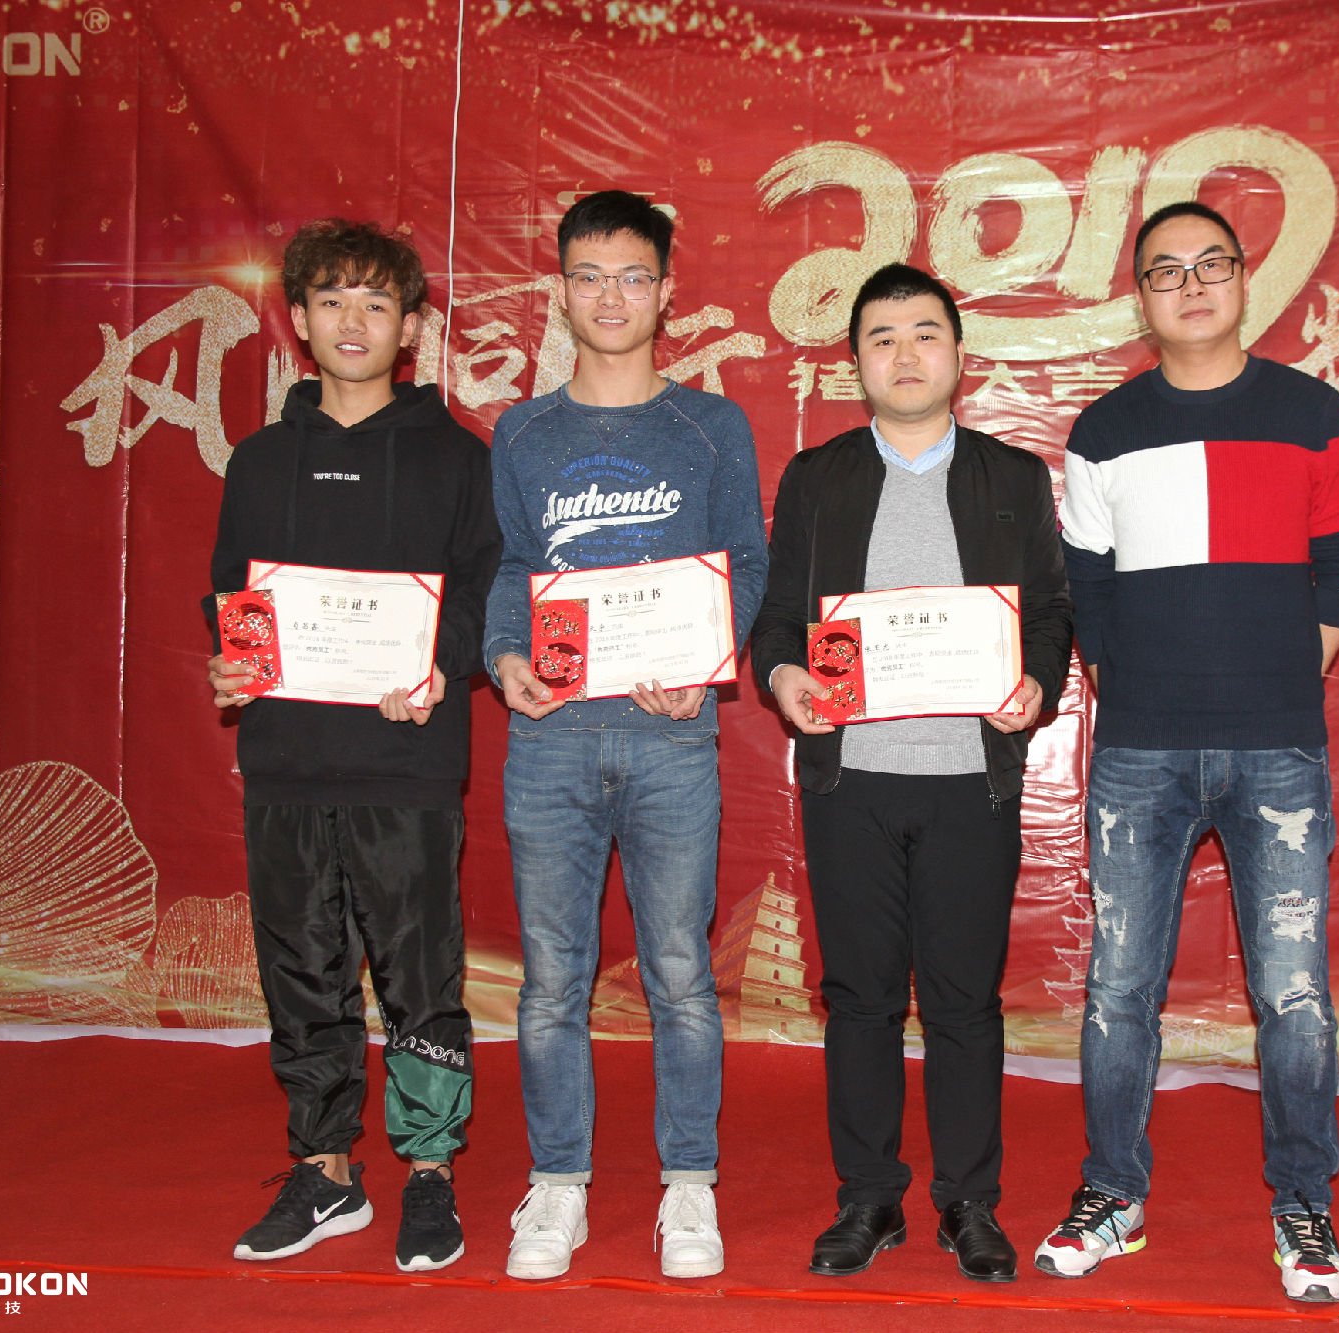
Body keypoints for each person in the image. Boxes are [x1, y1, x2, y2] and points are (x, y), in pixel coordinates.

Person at [1033, 202, 1339, 1303]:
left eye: (1210, 264)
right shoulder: (1104, 428)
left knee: (1293, 991)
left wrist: (1295, 667)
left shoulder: (1309, 411)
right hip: (1140, 752)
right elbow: (1085, 579)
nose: (1190, 286)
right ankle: (1112, 1192)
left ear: (1243, 278)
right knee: (1117, 988)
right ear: (1139, 297)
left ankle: (1303, 1201)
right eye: (1165, 271)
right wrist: (1123, 683)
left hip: (1277, 748)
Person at [751, 264, 1073, 1283]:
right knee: (859, 998)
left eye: (924, 333)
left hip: (969, 779)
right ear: (855, 363)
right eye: (881, 337)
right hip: (852, 778)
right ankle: (869, 1196)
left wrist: (1036, 683)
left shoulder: (1011, 477)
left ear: (959, 355)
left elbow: (1050, 613)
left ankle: (969, 1200)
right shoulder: (818, 477)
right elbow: (776, 619)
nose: (904, 353)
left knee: (964, 1000)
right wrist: (784, 675)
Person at [483, 190, 768, 1282]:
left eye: (633, 276)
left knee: (680, 972)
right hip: (552, 737)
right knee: (550, 978)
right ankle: (557, 1181)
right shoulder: (522, 431)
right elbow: (512, 566)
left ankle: (688, 1180)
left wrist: (707, 660)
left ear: (666, 292)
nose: (611, 297)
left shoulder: (710, 427)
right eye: (590, 277)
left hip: (669, 740)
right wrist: (502, 657)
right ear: (561, 291)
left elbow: (745, 560)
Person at [206, 218, 501, 1273]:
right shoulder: (258, 460)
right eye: (331, 299)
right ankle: (324, 1167)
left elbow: (484, 595)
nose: (352, 321)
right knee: (301, 971)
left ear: (410, 326)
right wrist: (231, 663)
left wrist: (442, 664)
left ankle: (430, 1171)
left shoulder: (459, 460)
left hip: (404, 764)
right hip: (286, 761)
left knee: (420, 975)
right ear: (298, 318)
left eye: (377, 303)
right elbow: (232, 595)